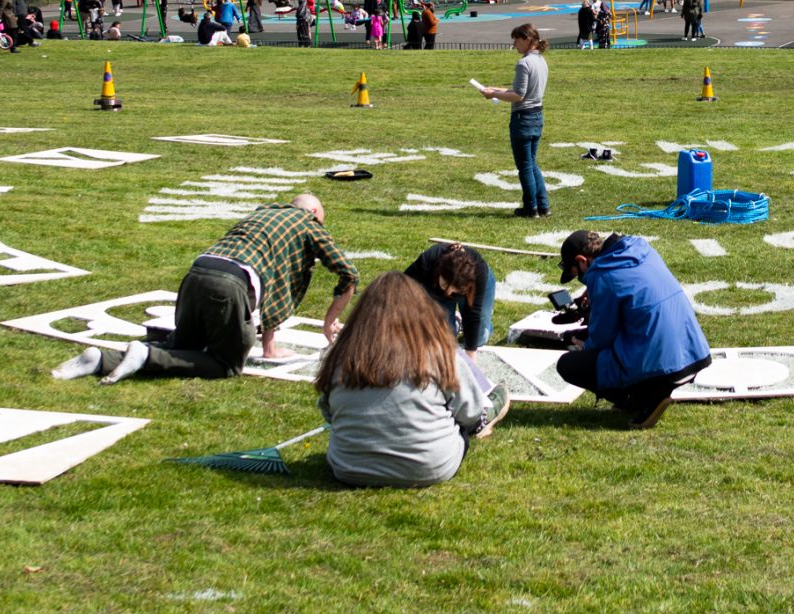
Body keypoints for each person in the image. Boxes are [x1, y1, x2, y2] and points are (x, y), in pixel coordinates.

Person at [61, 194, 361, 384]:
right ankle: (146, 356)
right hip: (231, 284)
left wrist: (269, 346)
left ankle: (100, 359)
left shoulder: (259, 214)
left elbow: (276, 283)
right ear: (315, 214)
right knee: (225, 364)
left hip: (197, 273)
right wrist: (328, 321)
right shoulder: (309, 225)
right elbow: (348, 274)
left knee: (185, 348)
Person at [314, 273, 504, 488]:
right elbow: (469, 413)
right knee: (465, 423)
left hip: (348, 467)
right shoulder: (440, 353)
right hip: (425, 467)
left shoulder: (340, 354)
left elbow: (329, 412)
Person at [553, 230, 711, 430]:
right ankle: (648, 392)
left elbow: (602, 337)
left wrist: (583, 343)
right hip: (693, 352)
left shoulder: (603, 276)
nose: (582, 280)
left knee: (569, 364)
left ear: (582, 260)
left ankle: (643, 398)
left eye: (577, 274)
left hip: (662, 365)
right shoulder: (641, 250)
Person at [475, 23, 550, 218]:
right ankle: (543, 205)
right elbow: (522, 91)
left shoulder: (524, 63)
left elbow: (518, 95)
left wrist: (493, 95)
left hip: (523, 118)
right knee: (532, 163)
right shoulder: (541, 61)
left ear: (527, 39)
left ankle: (530, 207)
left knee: (525, 165)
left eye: (516, 39)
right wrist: (496, 90)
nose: (514, 44)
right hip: (537, 115)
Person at [406, 241, 495, 353]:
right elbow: (402, 288)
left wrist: (471, 360)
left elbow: (473, 315)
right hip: (437, 294)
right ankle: (456, 323)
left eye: (455, 289)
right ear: (439, 270)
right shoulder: (428, 260)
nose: (449, 292)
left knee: (479, 339)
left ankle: (485, 322)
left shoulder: (478, 274)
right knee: (443, 341)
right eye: (444, 285)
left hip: (475, 290)